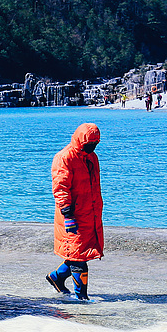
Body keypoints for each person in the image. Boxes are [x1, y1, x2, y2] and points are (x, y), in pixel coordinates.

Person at [45, 123, 104, 301]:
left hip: (90, 213)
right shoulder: (64, 158)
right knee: (79, 257)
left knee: (78, 253)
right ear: (80, 140)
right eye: (89, 143)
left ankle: (56, 277)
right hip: (72, 216)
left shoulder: (92, 157)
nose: (92, 147)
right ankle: (82, 299)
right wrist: (68, 215)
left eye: (95, 144)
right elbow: (60, 188)